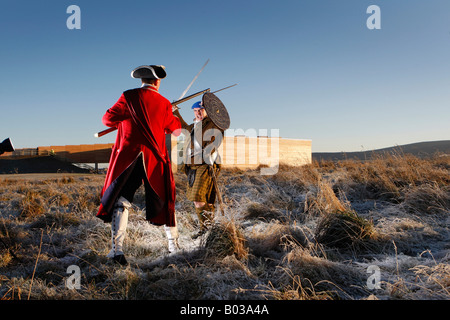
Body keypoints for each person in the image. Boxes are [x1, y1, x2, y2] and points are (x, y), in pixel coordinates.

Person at [96, 65, 182, 265]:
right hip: (154, 158)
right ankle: (174, 249)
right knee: (167, 199)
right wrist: (173, 114)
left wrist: (124, 119)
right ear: (157, 81)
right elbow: (176, 130)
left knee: (121, 201)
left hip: (131, 158)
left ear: (141, 80)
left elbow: (107, 119)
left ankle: (117, 252)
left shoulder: (128, 96)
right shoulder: (164, 103)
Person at [173, 100, 224, 237]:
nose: (198, 113)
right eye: (195, 111)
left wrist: (209, 149)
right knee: (204, 198)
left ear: (207, 111)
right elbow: (183, 126)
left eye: (201, 110)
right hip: (192, 165)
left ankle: (205, 230)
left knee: (198, 198)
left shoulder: (213, 123)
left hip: (205, 164)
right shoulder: (195, 126)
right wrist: (175, 111)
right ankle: (209, 229)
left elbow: (219, 135)